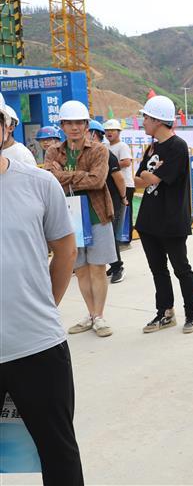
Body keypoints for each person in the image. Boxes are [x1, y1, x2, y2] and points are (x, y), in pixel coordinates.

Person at [0, 93, 84, 484]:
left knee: (58, 452)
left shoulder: (39, 183)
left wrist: (44, 305)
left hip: (37, 347)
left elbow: (66, 249)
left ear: (5, 127)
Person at [44, 101, 117, 338]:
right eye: (69, 123)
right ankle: (92, 314)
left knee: (97, 267)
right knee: (82, 269)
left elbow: (97, 180)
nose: (74, 127)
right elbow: (49, 180)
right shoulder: (53, 151)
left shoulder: (99, 150)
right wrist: (79, 175)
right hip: (68, 218)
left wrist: (63, 174)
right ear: (62, 125)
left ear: (86, 125)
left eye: (79, 123)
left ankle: (99, 315)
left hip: (96, 215)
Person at [133, 94, 193, 334]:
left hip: (171, 219)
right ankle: (165, 312)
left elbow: (153, 179)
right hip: (149, 220)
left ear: (158, 120)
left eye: (146, 118)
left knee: (181, 268)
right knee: (158, 270)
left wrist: (151, 176)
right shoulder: (152, 148)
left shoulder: (178, 147)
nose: (143, 122)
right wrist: (151, 176)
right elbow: (139, 180)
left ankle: (192, 313)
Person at [89, 121, 128, 285]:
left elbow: (119, 178)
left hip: (112, 200)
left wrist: (123, 197)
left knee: (110, 235)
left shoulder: (105, 153)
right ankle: (112, 265)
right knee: (102, 234)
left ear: (94, 134)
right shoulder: (88, 153)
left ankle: (118, 267)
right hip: (97, 201)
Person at [104, 119, 135, 258]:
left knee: (125, 213)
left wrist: (110, 165)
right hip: (113, 184)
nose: (109, 133)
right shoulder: (106, 146)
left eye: (112, 130)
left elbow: (127, 162)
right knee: (116, 213)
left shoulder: (122, 146)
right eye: (107, 130)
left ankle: (126, 240)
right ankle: (117, 240)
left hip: (125, 184)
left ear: (119, 132)